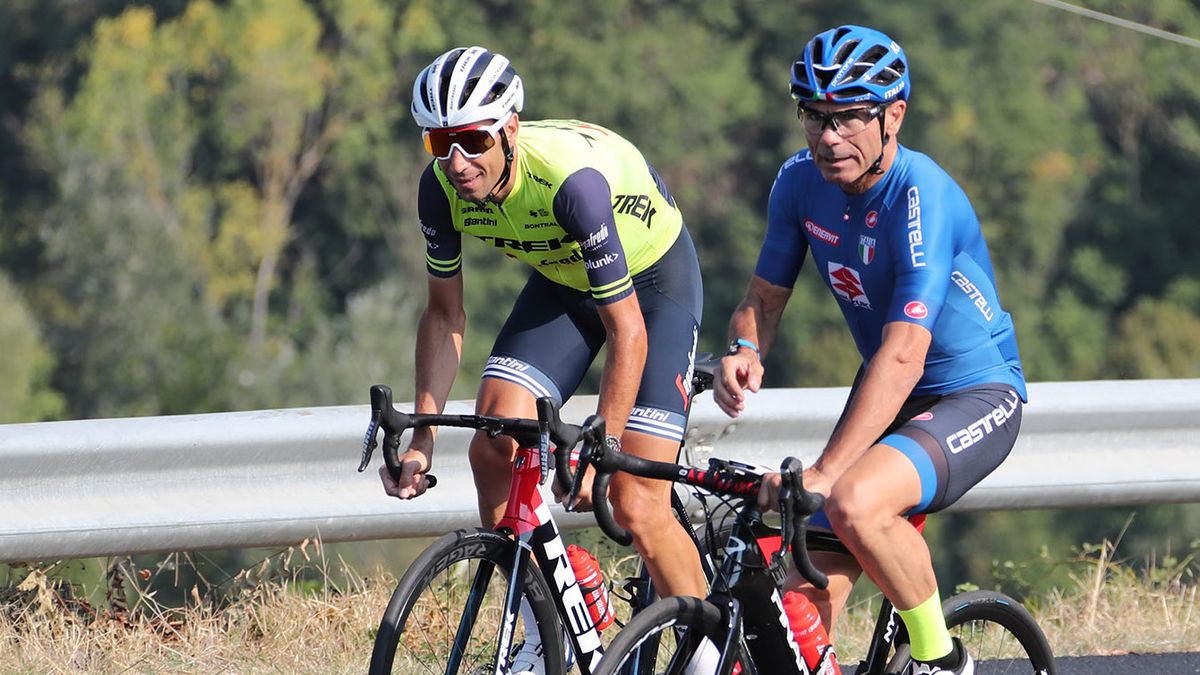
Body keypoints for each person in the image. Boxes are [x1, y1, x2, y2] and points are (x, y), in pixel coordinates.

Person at [379, 44, 708, 662]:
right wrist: (422, 435)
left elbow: (628, 329)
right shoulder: (440, 191)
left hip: (651, 286)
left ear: (508, 130)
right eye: (438, 142)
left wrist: (600, 448)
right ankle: (549, 618)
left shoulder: (569, 183)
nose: (456, 161)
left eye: (473, 141)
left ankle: (711, 654)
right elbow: (445, 314)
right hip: (565, 280)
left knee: (636, 499)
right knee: (492, 445)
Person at [715, 25, 1027, 675]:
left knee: (854, 499)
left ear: (894, 116)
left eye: (851, 118)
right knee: (794, 611)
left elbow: (905, 353)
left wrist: (828, 470)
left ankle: (941, 659)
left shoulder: (923, 196)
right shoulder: (799, 183)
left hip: (971, 392)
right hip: (888, 389)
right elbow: (764, 297)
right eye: (815, 116)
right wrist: (744, 346)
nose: (830, 137)